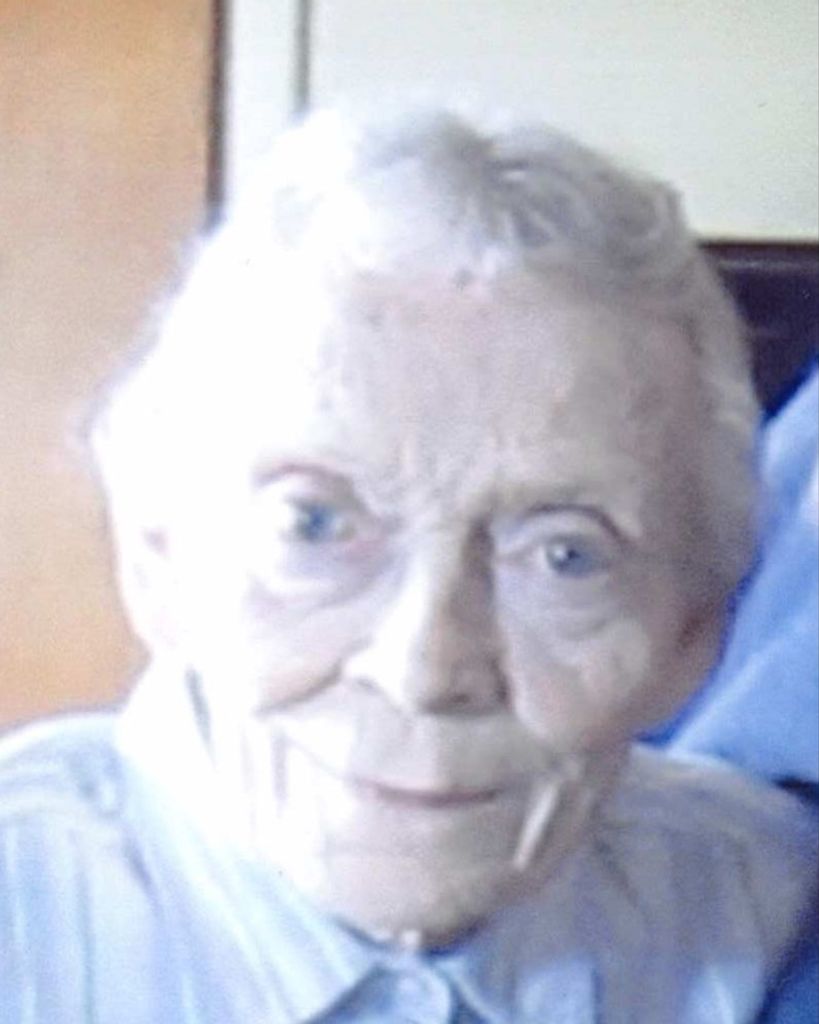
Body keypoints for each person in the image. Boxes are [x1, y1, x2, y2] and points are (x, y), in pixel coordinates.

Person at [0, 109, 815, 1023]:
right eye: (314, 524)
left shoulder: (766, 902)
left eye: (563, 555)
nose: (425, 667)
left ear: (693, 633)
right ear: (157, 555)